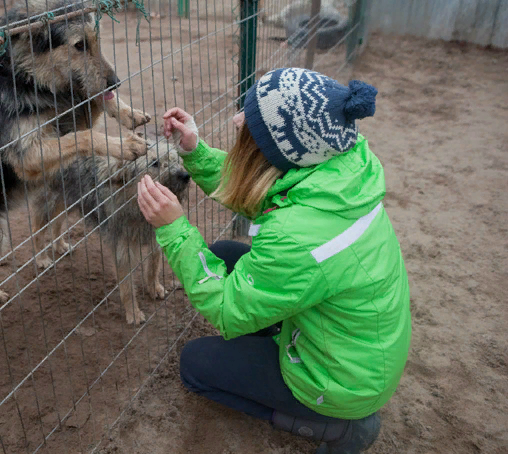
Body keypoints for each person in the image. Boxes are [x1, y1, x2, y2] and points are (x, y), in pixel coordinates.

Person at [136, 67, 411, 454]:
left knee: (195, 365)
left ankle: (337, 429)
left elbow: (227, 311)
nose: (236, 121)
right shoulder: (337, 165)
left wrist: (174, 228)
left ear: (283, 149)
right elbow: (258, 189)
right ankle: (275, 334)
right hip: (357, 348)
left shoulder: (297, 236)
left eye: (250, 122)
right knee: (225, 255)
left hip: (337, 382)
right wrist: (194, 151)